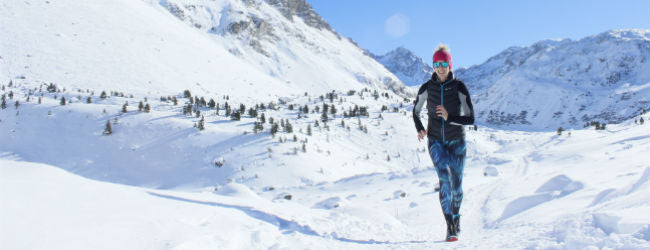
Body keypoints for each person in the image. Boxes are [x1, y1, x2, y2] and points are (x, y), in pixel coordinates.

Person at [412, 44, 475, 242]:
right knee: (444, 181)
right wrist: (420, 128)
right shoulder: (426, 88)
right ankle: (450, 225)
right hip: (436, 141)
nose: (440, 67)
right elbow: (415, 111)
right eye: (437, 64)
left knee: (457, 186)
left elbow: (470, 118)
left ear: (450, 64)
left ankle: (456, 217)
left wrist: (450, 118)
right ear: (433, 65)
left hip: (457, 141)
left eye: (444, 63)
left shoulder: (459, 87)